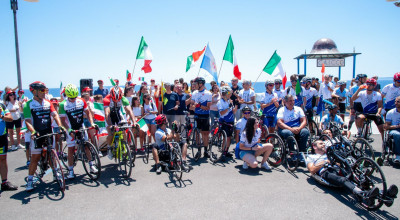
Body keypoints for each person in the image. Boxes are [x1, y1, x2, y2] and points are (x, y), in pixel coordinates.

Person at [306, 140, 380, 206]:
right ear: (314, 146)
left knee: (356, 174)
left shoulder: (329, 154)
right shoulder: (312, 157)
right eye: (321, 143)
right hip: (326, 171)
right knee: (342, 179)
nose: (324, 145)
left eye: (324, 143)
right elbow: (312, 170)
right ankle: (362, 194)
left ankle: (381, 193)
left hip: (338, 168)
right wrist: (325, 162)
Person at [24, 81, 65, 192]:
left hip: (48, 131)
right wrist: (32, 131)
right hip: (37, 133)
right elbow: (27, 121)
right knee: (35, 158)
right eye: (42, 90)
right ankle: (30, 180)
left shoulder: (48, 102)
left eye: (45, 90)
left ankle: (55, 172)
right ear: (34, 92)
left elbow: (55, 114)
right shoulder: (28, 104)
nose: (44, 92)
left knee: (52, 153)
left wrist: (60, 126)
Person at [59, 84, 98, 179]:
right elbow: (62, 120)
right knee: (71, 149)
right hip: (70, 127)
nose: (73, 99)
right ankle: (71, 170)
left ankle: (91, 165)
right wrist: (68, 130)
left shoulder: (81, 101)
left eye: (74, 97)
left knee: (86, 145)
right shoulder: (62, 104)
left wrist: (91, 123)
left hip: (81, 126)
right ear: (67, 95)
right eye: (71, 98)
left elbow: (88, 113)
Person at [104, 86, 138, 160]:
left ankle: (124, 145)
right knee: (111, 132)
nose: (116, 101)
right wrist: (110, 125)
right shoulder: (107, 99)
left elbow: (129, 111)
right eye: (114, 100)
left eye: (118, 100)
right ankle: (109, 148)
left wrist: (134, 122)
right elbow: (107, 114)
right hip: (110, 117)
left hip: (118, 115)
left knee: (123, 130)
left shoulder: (123, 98)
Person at [191, 77, 212, 160]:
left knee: (205, 134)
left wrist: (199, 106)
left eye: (195, 84)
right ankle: (199, 150)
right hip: (197, 115)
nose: (194, 85)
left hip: (205, 116)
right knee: (197, 134)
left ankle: (206, 151)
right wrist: (193, 106)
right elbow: (191, 106)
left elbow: (208, 108)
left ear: (201, 84)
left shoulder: (208, 94)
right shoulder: (194, 93)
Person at [0, 103, 18, 191]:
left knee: (3, 159)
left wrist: (1, 116)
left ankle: (4, 183)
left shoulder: (1, 106)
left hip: (2, 137)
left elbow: (10, 119)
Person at [217, 86, 236, 157]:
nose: (230, 94)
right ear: (224, 93)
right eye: (228, 93)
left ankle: (226, 151)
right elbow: (221, 113)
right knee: (226, 137)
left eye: (230, 93)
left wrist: (237, 105)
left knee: (229, 137)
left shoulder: (229, 100)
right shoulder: (220, 102)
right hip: (224, 121)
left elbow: (233, 111)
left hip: (231, 120)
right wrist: (228, 108)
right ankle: (223, 151)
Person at [384, 96, 400, 163]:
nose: (396, 103)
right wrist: (397, 126)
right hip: (394, 130)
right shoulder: (391, 112)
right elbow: (386, 127)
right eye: (395, 101)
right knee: (398, 135)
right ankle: (398, 155)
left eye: (398, 102)